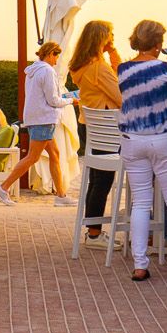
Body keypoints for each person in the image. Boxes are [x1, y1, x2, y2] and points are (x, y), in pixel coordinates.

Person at [115, 19, 167, 284]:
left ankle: (140, 265)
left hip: (133, 138)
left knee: (140, 202)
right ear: (158, 43)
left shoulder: (123, 69)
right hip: (163, 138)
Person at [0, 41, 73, 207]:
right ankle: (3, 188)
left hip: (36, 118)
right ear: (50, 54)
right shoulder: (48, 71)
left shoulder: (32, 71)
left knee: (54, 154)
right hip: (44, 120)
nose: (57, 60)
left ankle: (61, 196)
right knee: (32, 157)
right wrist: (71, 100)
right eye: (56, 56)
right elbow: (53, 100)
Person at [67, 20, 123, 238]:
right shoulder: (99, 68)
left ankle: (93, 229)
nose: (113, 38)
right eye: (111, 35)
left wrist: (112, 52)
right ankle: (94, 233)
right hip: (106, 128)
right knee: (103, 180)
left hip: (88, 125)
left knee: (96, 179)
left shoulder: (82, 65)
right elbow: (121, 94)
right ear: (102, 38)